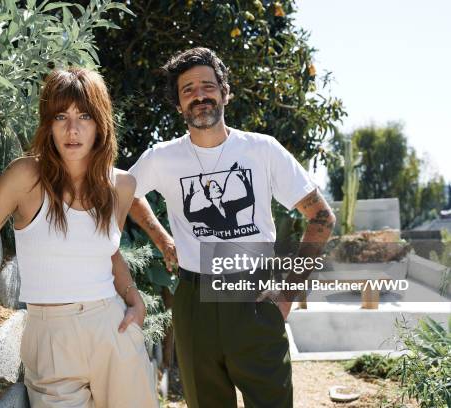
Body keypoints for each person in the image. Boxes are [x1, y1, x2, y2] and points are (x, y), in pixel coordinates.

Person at [0, 68, 158, 408]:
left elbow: (108, 254)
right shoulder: (25, 177)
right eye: (60, 116)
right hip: (50, 337)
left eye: (84, 116)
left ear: (101, 123)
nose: (72, 129)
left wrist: (135, 300)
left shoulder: (121, 186)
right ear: (48, 123)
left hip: (113, 329)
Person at [128, 47, 335, 407]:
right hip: (194, 303)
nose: (199, 96)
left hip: (253, 297)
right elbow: (125, 194)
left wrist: (287, 296)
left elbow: (321, 218)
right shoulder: (162, 158)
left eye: (207, 85)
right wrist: (163, 240)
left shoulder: (263, 150)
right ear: (178, 104)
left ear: (225, 92)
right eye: (187, 90)